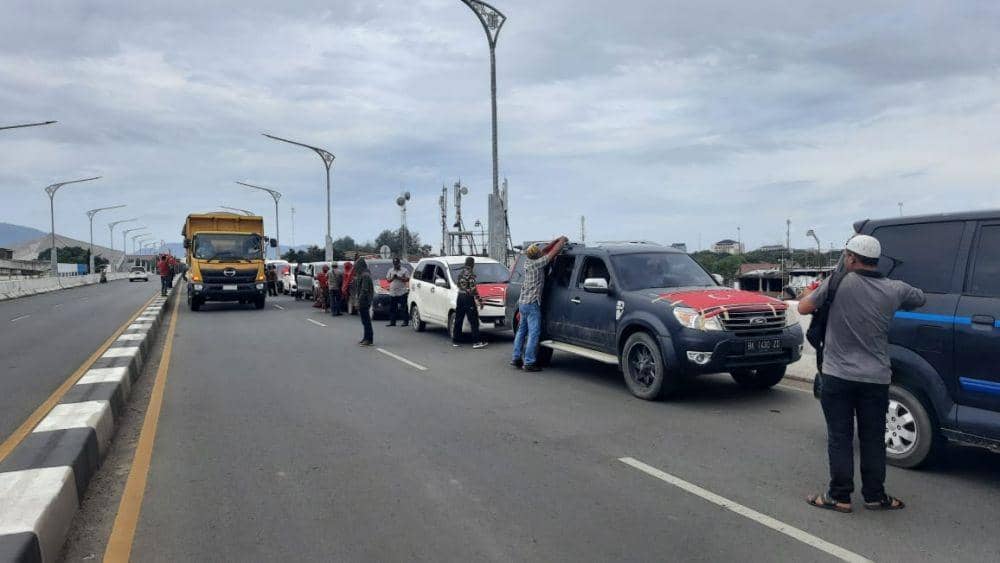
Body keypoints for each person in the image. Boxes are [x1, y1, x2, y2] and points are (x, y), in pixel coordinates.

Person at [799, 235, 925, 514]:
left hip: (837, 376)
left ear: (851, 258)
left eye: (846, 255)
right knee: (872, 437)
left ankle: (840, 496)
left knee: (840, 436)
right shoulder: (895, 288)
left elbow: (803, 307)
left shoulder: (837, 282)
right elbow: (920, 298)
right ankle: (875, 496)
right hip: (876, 378)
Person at [511, 236, 568, 371]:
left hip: (523, 303)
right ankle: (529, 362)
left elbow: (546, 250)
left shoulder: (528, 262)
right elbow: (552, 253)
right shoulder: (538, 264)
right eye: (539, 252)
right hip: (532, 304)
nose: (542, 253)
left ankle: (516, 357)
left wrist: (557, 239)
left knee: (521, 332)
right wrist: (562, 241)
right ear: (537, 255)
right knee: (534, 333)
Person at [452, 256, 487, 349]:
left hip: (460, 297)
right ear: (472, 264)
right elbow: (473, 289)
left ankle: (456, 340)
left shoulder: (461, 273)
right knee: (474, 320)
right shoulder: (470, 274)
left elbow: (458, 284)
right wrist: (479, 300)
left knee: (459, 319)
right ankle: (476, 342)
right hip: (468, 298)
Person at [354, 258, 374, 346]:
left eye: (357, 266)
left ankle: (369, 339)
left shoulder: (365, 275)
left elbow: (364, 290)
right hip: (363, 300)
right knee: (364, 321)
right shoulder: (363, 274)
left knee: (366, 321)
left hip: (364, 300)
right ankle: (366, 337)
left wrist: (359, 301)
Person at [385, 257, 410, 327]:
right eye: (394, 264)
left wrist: (399, 277)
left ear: (399, 263)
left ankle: (405, 321)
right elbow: (388, 280)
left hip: (402, 292)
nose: (396, 265)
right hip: (393, 292)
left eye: (397, 264)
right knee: (393, 308)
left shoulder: (404, 270)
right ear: (393, 264)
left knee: (404, 308)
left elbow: (407, 279)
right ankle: (392, 322)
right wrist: (393, 277)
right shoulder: (390, 270)